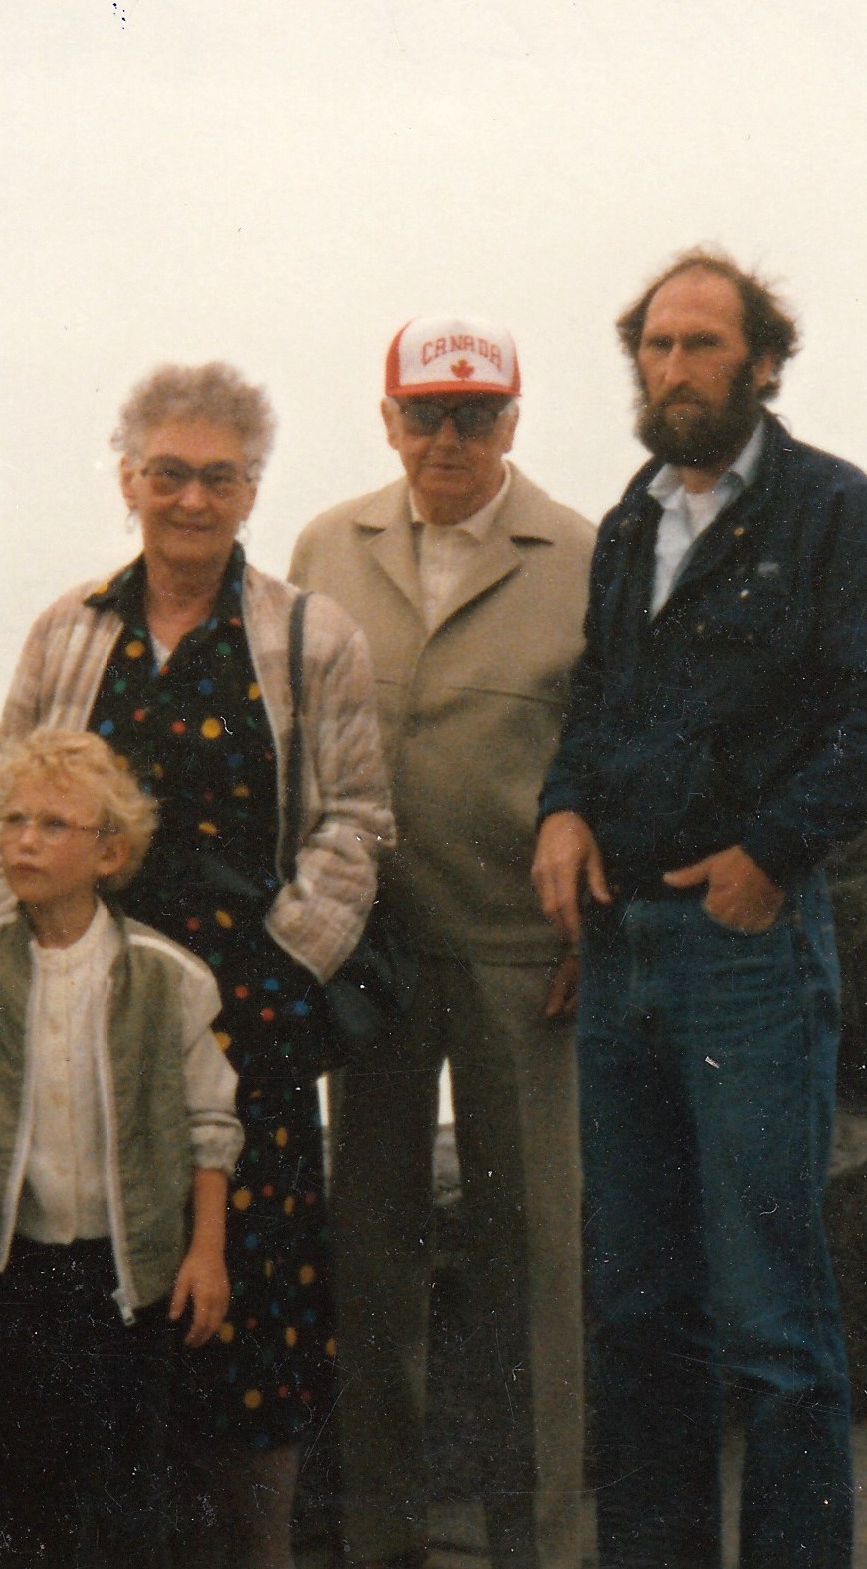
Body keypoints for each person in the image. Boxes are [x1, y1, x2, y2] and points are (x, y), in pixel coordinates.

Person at [533, 249, 867, 1569]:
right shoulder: (632, 521)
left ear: (763, 362)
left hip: (746, 954)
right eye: (655, 346)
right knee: (638, 1309)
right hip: (622, 953)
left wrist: (771, 852)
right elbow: (599, 701)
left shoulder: (832, 510)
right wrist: (562, 807)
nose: (674, 369)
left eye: (702, 344)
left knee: (771, 1322)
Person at [0, 362, 393, 1569]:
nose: (192, 499)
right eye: (168, 473)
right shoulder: (70, 630)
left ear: (252, 488)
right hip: (81, 1019)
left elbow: (355, 821)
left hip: (243, 1024)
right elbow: (3, 805)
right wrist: (9, 966)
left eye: (219, 476)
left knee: (251, 1319)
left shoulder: (310, 635)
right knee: (98, 1312)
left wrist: (279, 972)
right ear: (129, 480)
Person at [291, 316, 596, 1569]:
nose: (449, 437)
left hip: (524, 946)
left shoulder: (582, 554)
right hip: (371, 950)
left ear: (514, 420)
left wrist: (598, 930)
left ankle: (547, 1545)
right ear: (388, 419)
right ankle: (382, 1533)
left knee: (538, 1255)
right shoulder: (328, 543)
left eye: (475, 414)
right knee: (371, 1247)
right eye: (426, 413)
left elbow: (615, 747)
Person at [0, 728, 240, 1567]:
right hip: (4, 1276)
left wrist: (206, 1251)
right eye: (13, 820)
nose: (25, 840)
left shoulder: (169, 977)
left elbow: (211, 1124)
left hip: (127, 1278)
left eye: (54, 825)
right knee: (9, 1492)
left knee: (126, 1499)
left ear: (110, 854)